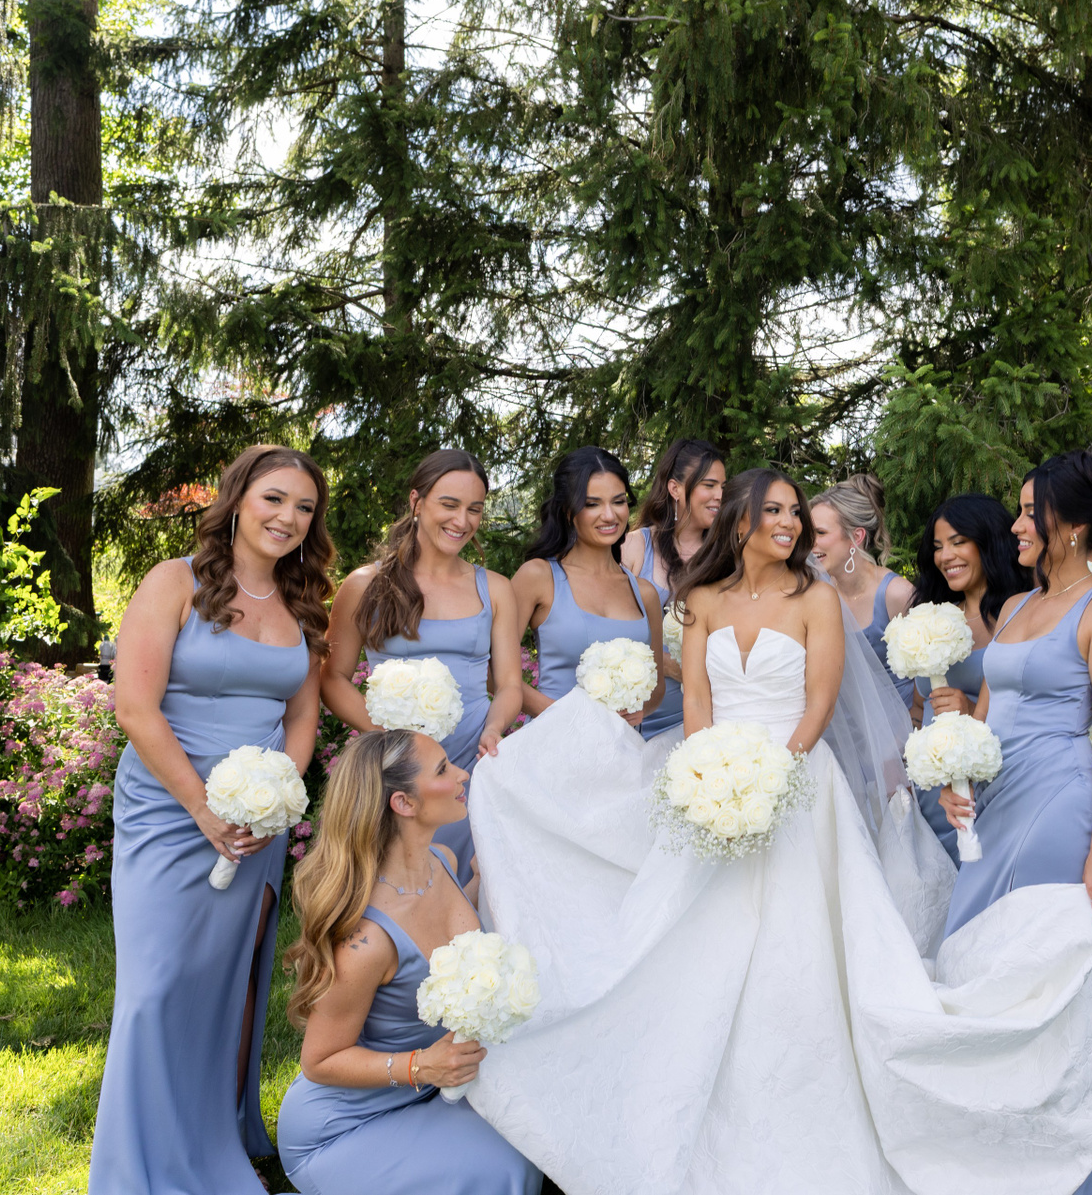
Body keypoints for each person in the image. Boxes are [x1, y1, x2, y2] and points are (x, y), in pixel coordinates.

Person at [465, 469, 1092, 1195]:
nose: (788, 522)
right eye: (772, 510)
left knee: (797, 950)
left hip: (801, 787)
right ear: (740, 521)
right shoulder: (701, 599)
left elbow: (820, 698)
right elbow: (697, 701)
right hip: (716, 787)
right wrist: (708, 775)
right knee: (693, 945)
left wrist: (776, 772)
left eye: (793, 512)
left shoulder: (816, 598)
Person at [90, 445, 331, 1195]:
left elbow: (303, 717)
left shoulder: (302, 603)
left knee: (227, 983)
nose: (287, 517)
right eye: (274, 498)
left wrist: (276, 794)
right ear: (236, 500)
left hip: (254, 822)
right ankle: (138, 1162)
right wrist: (203, 807)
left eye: (304, 508)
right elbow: (135, 707)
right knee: (158, 983)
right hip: (168, 809)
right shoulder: (175, 581)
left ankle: (212, 1135)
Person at [940, 447, 1092, 1195]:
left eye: (1032, 512)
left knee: (1041, 974)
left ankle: (1061, 1165)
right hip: (995, 802)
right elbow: (987, 712)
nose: (1017, 525)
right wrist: (955, 777)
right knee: (974, 961)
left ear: (1073, 526)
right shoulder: (1018, 608)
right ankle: (991, 1155)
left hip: (1058, 803)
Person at [276, 728, 543, 1195]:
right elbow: (319, 1061)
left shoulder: (441, 859)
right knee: (502, 1167)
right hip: (345, 1125)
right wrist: (422, 1066)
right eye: (443, 769)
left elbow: (447, 941)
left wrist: (480, 882)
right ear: (404, 803)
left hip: (429, 1092)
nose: (462, 774)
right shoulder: (366, 942)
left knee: (531, 1127)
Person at [323, 451, 523, 883]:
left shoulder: (496, 589)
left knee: (474, 888)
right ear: (417, 502)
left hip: (471, 764)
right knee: (396, 887)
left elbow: (510, 683)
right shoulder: (364, 585)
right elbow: (333, 678)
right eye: (449, 504)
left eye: (474, 509)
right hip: (396, 768)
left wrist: (494, 728)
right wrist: (385, 736)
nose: (462, 521)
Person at [910, 493, 1028, 861]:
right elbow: (918, 707)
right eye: (938, 547)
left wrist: (971, 708)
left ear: (989, 542)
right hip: (933, 795)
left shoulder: (1021, 614)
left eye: (958, 542)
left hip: (993, 789)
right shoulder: (930, 616)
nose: (945, 556)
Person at [510, 447, 665, 727]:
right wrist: (569, 717)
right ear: (568, 510)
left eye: (618, 501)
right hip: (554, 740)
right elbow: (495, 673)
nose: (609, 515)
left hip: (623, 747)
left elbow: (656, 689)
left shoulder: (645, 593)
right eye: (592, 504)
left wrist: (640, 709)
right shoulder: (537, 577)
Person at [622, 439, 726, 739]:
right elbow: (608, 628)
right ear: (675, 489)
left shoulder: (727, 557)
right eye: (709, 485)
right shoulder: (635, 546)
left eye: (723, 486)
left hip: (705, 720)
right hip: (637, 719)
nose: (720, 496)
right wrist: (664, 663)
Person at [811, 474, 916, 706]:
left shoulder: (897, 594)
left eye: (820, 533)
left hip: (898, 722)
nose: (810, 543)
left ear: (856, 537)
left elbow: (926, 677)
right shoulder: (818, 594)